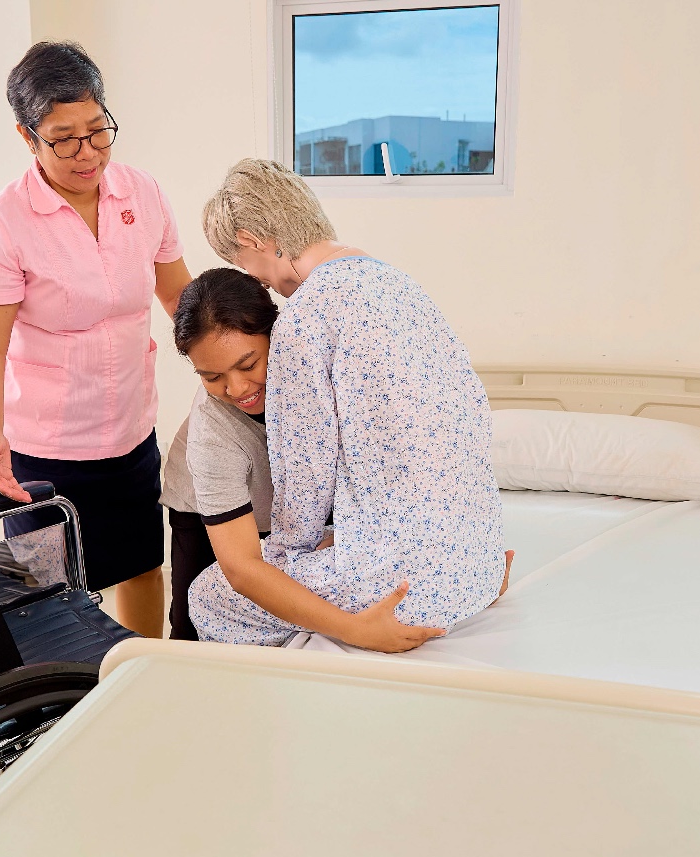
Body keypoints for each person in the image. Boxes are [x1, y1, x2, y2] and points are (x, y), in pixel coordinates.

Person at [185, 159, 506, 650]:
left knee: (207, 595)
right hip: (477, 560)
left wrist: (292, 557)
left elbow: (305, 484)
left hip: (407, 584)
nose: (259, 281)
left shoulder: (306, 318)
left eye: (246, 264)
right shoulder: (401, 285)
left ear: (252, 240)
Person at [0, 42, 190, 637]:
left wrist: (236, 364)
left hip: (131, 431)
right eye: (64, 138)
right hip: (47, 447)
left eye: (98, 131)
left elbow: (178, 296)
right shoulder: (2, 221)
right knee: (44, 594)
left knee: (141, 565)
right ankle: (61, 711)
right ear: (27, 135)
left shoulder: (141, 192)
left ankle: (140, 682)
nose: (87, 152)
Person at [159, 268, 278, 640]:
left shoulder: (318, 372)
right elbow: (241, 570)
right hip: (201, 506)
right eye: (212, 377)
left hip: (280, 509)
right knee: (191, 627)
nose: (237, 388)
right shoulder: (212, 430)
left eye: (248, 365)